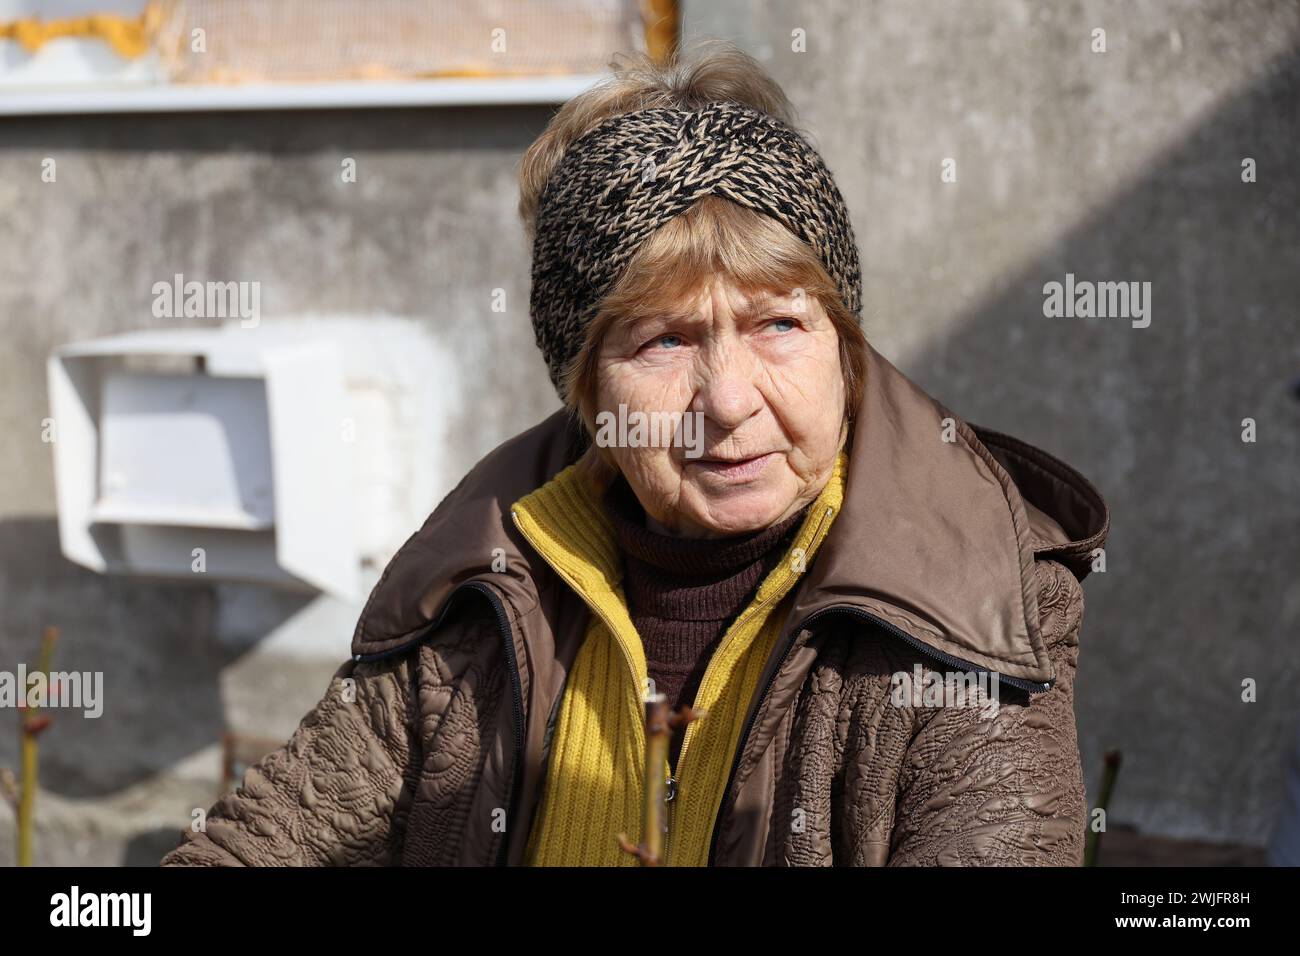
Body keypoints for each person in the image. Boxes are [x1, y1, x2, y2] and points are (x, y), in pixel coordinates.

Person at [161, 38, 1110, 867]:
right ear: (585, 387)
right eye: (665, 342)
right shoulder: (485, 583)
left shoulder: (970, 599)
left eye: (779, 324)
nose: (731, 401)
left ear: (845, 349)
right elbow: (259, 845)